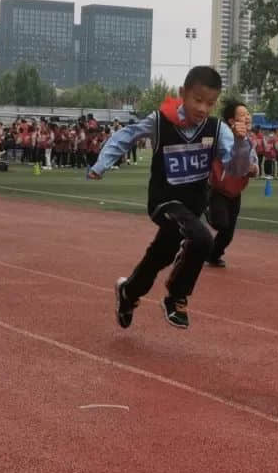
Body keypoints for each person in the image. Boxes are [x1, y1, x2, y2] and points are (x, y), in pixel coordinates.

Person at [88, 66, 252, 330]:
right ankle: (176, 296)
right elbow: (126, 136)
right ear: (182, 94)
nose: (202, 108)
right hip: (164, 203)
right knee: (202, 239)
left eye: (209, 103)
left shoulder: (217, 129)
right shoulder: (159, 120)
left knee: (160, 256)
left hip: (192, 206)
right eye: (197, 100)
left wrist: (243, 144)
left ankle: (129, 292)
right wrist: (101, 164)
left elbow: (235, 168)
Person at [206, 101, 260, 268]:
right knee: (220, 222)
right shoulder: (222, 137)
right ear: (232, 121)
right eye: (243, 115)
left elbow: (255, 168)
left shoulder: (250, 142)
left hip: (235, 193)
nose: (248, 117)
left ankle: (213, 255)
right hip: (218, 190)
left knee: (228, 233)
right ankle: (207, 211)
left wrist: (253, 169)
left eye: (248, 114)